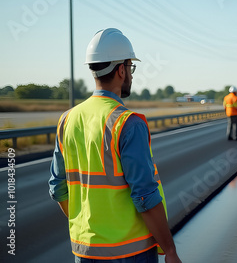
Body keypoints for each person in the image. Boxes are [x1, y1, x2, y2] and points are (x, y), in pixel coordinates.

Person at [48, 28, 181, 263]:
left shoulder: (67, 120)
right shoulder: (127, 123)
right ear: (121, 69)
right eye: (131, 68)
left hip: (84, 251)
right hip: (131, 253)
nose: (131, 74)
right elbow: (145, 197)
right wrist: (170, 251)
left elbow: (58, 188)